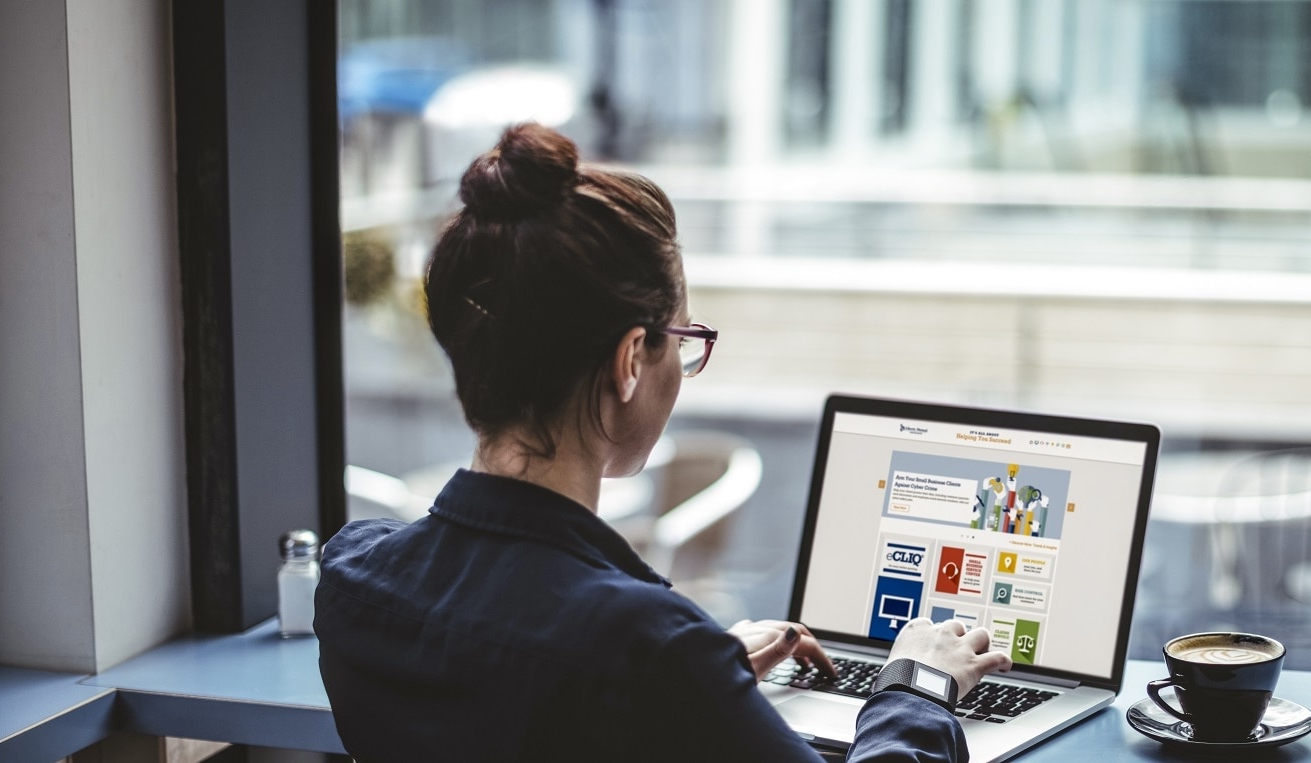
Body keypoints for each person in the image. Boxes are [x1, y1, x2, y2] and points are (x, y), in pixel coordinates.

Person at [314, 123, 1012, 761]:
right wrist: (917, 686)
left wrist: (711, 685)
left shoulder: (354, 580)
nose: (684, 366)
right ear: (628, 362)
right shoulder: (647, 651)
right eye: (683, 339)